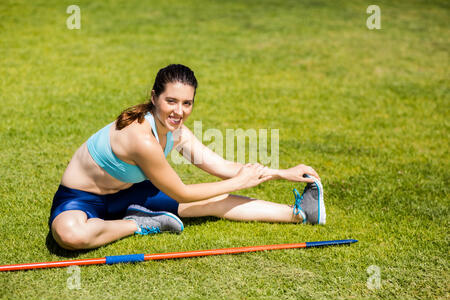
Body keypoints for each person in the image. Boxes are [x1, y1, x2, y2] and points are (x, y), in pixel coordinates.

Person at [49, 64, 326, 251]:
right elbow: (182, 191)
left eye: (187, 103)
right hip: (81, 198)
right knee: (70, 236)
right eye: (171, 101)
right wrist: (239, 182)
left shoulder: (176, 131)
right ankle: (140, 223)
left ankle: (301, 214)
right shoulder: (141, 138)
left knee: (215, 203)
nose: (179, 111)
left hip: (132, 194)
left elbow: (221, 167)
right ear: (154, 97)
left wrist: (281, 172)